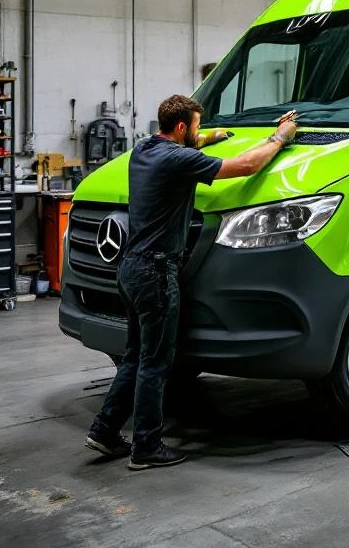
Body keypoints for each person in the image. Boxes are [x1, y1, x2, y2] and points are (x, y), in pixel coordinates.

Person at [85, 95, 298, 470]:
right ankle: (146, 447)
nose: (198, 133)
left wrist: (214, 134)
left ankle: (103, 430)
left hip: (130, 269)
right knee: (156, 362)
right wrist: (280, 137)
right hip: (156, 273)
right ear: (182, 127)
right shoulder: (179, 160)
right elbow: (247, 165)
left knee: (134, 357)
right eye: (196, 126)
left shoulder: (145, 150)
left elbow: (192, 145)